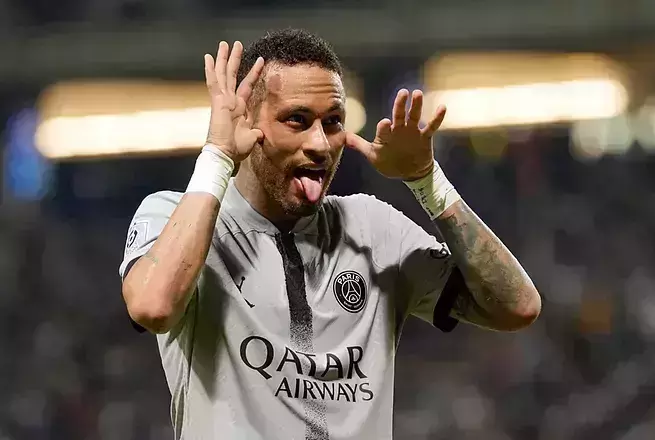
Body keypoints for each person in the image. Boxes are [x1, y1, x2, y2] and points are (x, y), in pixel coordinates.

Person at [119, 29, 541, 440]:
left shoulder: (374, 229)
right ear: (245, 121)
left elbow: (517, 307)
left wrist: (428, 182)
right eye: (297, 120)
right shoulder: (176, 216)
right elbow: (153, 307)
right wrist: (217, 155)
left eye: (334, 122)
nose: (321, 144)